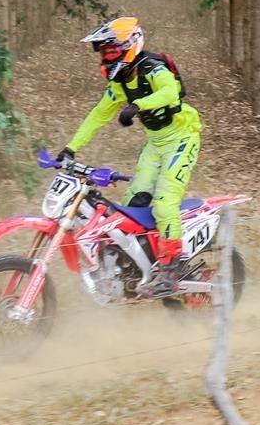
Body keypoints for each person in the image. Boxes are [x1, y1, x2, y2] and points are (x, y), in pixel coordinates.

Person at [57, 17, 203, 292]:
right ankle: (139, 264)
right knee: (133, 203)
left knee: (164, 203)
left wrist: (137, 105)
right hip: (155, 144)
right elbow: (98, 116)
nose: (106, 57)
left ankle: (173, 269)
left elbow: (170, 93)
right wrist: (71, 148)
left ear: (129, 46)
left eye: (111, 51)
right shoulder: (120, 83)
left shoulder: (153, 68)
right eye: (103, 52)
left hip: (182, 138)